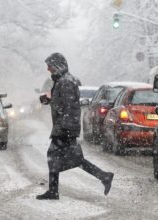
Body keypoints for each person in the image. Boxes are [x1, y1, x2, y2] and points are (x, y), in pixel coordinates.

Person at [37, 52, 114, 200]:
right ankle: (103, 176)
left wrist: (65, 129)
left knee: (57, 157)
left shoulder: (65, 82)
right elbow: (63, 102)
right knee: (69, 158)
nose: (48, 70)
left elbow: (69, 107)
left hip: (65, 127)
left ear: (58, 66)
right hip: (65, 126)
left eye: (50, 66)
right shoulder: (63, 80)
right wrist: (48, 100)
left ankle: (54, 191)